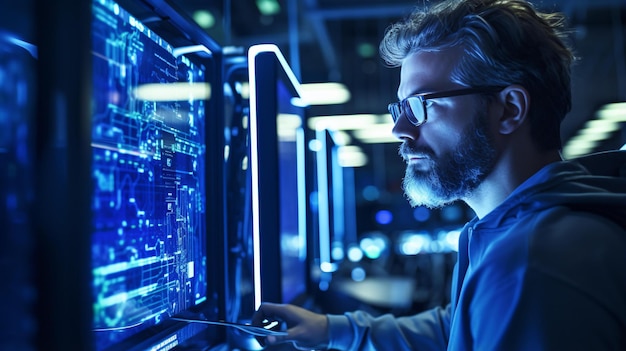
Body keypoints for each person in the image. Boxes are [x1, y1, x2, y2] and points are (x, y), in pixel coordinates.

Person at [252, 0, 626, 349]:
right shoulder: (521, 231)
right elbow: (461, 323)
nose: (400, 128)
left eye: (421, 104)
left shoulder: (531, 263)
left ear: (509, 109)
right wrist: (335, 331)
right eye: (400, 107)